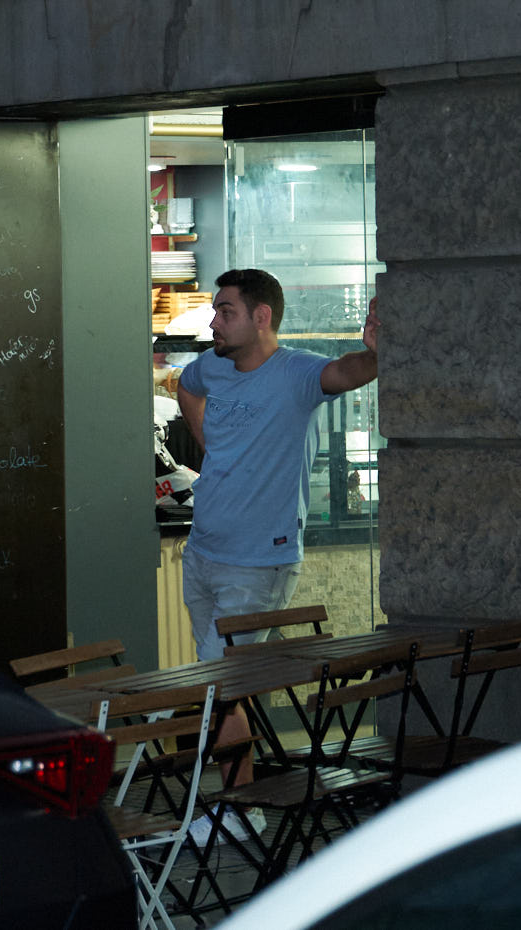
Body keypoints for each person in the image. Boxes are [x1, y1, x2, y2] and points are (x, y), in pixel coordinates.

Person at [177, 269, 379, 846]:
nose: (214, 321)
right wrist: (211, 442)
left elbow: (345, 371)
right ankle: (240, 804)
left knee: (223, 688)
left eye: (226, 311)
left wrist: (376, 354)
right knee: (222, 685)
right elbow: (185, 387)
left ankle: (241, 807)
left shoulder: (295, 373)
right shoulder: (212, 366)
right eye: (216, 311)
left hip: (259, 561)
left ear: (261, 316)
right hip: (205, 552)